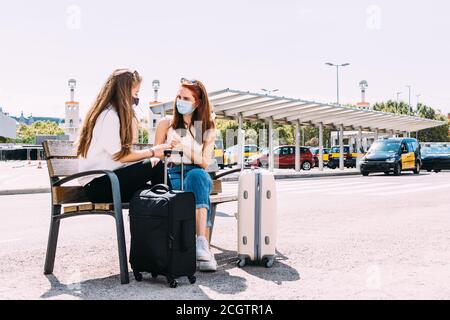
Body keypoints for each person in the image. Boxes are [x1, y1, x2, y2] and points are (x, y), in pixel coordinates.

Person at [76, 69, 173, 203]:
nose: (136, 99)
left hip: (108, 181)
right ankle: (173, 214)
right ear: (124, 92)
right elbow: (121, 156)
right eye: (136, 93)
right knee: (156, 165)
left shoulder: (110, 114)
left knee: (154, 194)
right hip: (100, 185)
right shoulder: (108, 116)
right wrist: (152, 152)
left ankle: (169, 216)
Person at [155, 78, 217, 272]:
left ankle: (200, 243)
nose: (180, 101)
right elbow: (155, 155)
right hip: (173, 173)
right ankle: (203, 247)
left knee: (196, 176)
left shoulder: (207, 126)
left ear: (197, 102)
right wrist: (166, 147)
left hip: (197, 174)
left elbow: (204, 162)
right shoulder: (167, 123)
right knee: (194, 185)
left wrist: (183, 146)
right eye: (178, 96)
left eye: (186, 98)